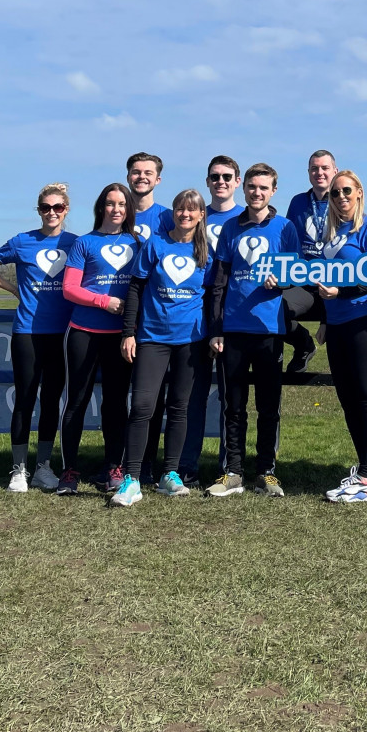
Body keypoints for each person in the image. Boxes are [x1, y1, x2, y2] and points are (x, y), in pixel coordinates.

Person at [111, 189, 212, 507]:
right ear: (174, 213)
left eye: (192, 210)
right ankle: (132, 479)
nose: (185, 214)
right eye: (181, 209)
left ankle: (170, 474)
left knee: (179, 409)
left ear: (200, 216)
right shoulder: (155, 243)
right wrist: (129, 332)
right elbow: (136, 288)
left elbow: (213, 296)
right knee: (142, 407)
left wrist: (214, 334)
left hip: (191, 342)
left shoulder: (207, 251)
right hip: (153, 339)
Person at [0, 183, 77, 492]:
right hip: (27, 332)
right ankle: (18, 470)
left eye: (57, 207)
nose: (51, 213)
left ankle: (43, 468)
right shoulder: (22, 242)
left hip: (62, 335)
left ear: (66, 210)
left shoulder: (76, 243)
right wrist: (13, 289)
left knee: (51, 402)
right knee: (24, 399)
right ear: (38, 210)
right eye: (46, 207)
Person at [207, 163, 300, 499]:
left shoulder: (286, 228)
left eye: (263, 187)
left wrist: (285, 280)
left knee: (268, 405)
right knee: (233, 405)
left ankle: (266, 472)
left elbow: (297, 273)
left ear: (273, 191)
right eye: (251, 186)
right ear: (243, 188)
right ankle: (232, 472)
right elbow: (219, 282)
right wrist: (216, 328)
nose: (256, 192)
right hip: (233, 330)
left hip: (269, 329)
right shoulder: (230, 228)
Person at [57, 184, 140, 495]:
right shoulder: (84, 243)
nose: (116, 209)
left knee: (117, 404)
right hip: (83, 332)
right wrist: (103, 301)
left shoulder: (138, 243)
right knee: (76, 401)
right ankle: (68, 470)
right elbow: (70, 289)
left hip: (121, 337)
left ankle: (114, 467)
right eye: (110, 203)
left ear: (128, 209)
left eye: (122, 204)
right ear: (100, 207)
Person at [316, 170, 367, 503]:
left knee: (366, 396)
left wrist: (340, 295)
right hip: (337, 323)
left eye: (346, 191)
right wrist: (326, 317)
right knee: (347, 399)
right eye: (334, 193)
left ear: (359, 192)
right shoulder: (329, 231)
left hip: (361, 319)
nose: (341, 197)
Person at [177, 155, 242, 487]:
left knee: (230, 396)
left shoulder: (242, 219)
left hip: (232, 313)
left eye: (227, 176)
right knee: (194, 394)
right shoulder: (195, 216)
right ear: (207, 181)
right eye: (215, 176)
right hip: (194, 310)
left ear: (237, 181)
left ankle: (228, 466)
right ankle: (186, 465)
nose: (221, 181)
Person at [125, 151, 174, 484]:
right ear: (128, 176)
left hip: (158, 321)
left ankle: (149, 465)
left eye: (148, 172)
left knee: (155, 398)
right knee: (122, 397)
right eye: (136, 171)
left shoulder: (168, 218)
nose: (141, 177)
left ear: (158, 179)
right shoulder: (116, 211)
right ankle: (120, 464)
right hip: (120, 316)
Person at [281, 149, 337, 373]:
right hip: (304, 283)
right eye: (314, 168)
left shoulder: (343, 201)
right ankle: (303, 344)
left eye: (324, 168)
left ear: (335, 171)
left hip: (336, 284)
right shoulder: (298, 202)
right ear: (308, 173)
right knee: (273, 309)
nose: (319, 172)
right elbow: (287, 242)